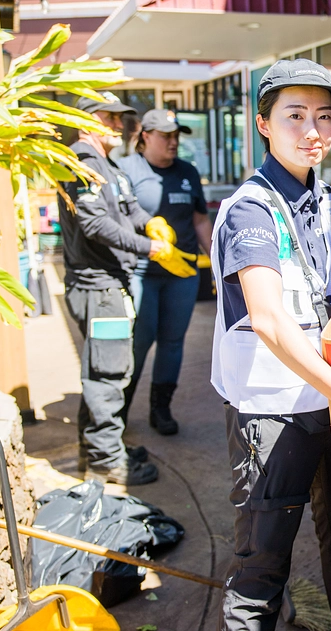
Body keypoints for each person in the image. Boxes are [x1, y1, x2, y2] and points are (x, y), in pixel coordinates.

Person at [211, 58, 331, 630]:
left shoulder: (328, 200)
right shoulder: (250, 208)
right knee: (262, 564)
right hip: (273, 411)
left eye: (324, 116)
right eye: (295, 115)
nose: (312, 130)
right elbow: (270, 321)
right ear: (263, 124)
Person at [60, 93, 197, 485]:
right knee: (107, 375)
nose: (119, 125)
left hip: (111, 286)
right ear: (88, 119)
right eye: (110, 117)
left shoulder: (106, 166)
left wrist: (149, 222)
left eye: (121, 118)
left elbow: (129, 207)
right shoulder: (83, 163)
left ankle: (102, 448)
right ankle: (108, 464)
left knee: (105, 368)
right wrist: (149, 246)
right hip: (99, 288)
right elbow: (96, 226)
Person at [119, 110, 211, 435]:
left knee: (172, 342)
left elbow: (199, 220)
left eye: (176, 136)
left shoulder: (187, 171)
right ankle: (120, 410)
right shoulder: (127, 169)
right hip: (142, 271)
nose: (173, 142)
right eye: (165, 136)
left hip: (182, 273)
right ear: (145, 136)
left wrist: (217, 260)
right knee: (138, 342)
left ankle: (161, 408)